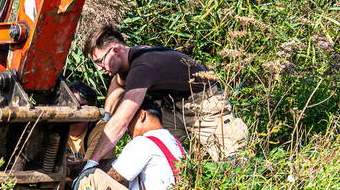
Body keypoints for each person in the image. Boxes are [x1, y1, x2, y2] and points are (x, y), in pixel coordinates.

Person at [81, 25, 247, 174]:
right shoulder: (126, 62)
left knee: (233, 162)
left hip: (204, 104)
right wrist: (107, 117)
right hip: (172, 109)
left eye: (99, 61)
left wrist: (92, 162)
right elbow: (118, 84)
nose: (98, 68)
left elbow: (121, 121)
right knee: (164, 161)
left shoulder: (142, 67)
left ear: (116, 51)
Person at [22, 81, 105, 190]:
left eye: (73, 106)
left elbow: (89, 170)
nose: (67, 111)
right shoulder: (54, 128)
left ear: (88, 107)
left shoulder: (100, 129)